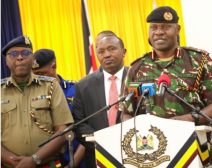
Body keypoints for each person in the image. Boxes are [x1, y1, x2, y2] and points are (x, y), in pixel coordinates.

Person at [121, 6, 212, 167]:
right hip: (154, 151)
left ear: (178, 29)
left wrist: (187, 119)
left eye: (166, 27)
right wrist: (139, 133)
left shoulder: (199, 60)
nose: (159, 32)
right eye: (154, 27)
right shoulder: (137, 68)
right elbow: (126, 112)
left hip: (195, 145)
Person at [1, 35, 74, 168]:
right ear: (6, 61)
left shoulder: (51, 86)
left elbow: (63, 131)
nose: (20, 57)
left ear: (33, 59)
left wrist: (34, 160)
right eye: (14, 54)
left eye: (26, 53)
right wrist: (14, 162)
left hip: (47, 164)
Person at [72, 31, 128, 168]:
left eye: (112, 49)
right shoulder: (83, 86)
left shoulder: (139, 78)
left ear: (124, 51)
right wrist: (103, 143)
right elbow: (79, 122)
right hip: (99, 156)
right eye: (101, 51)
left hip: (135, 154)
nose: (107, 55)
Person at [32, 49, 85, 168]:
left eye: (41, 74)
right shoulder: (31, 97)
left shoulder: (76, 90)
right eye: (34, 74)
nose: (38, 79)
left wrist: (73, 164)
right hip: (48, 162)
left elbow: (89, 131)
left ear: (54, 66)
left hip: (79, 160)